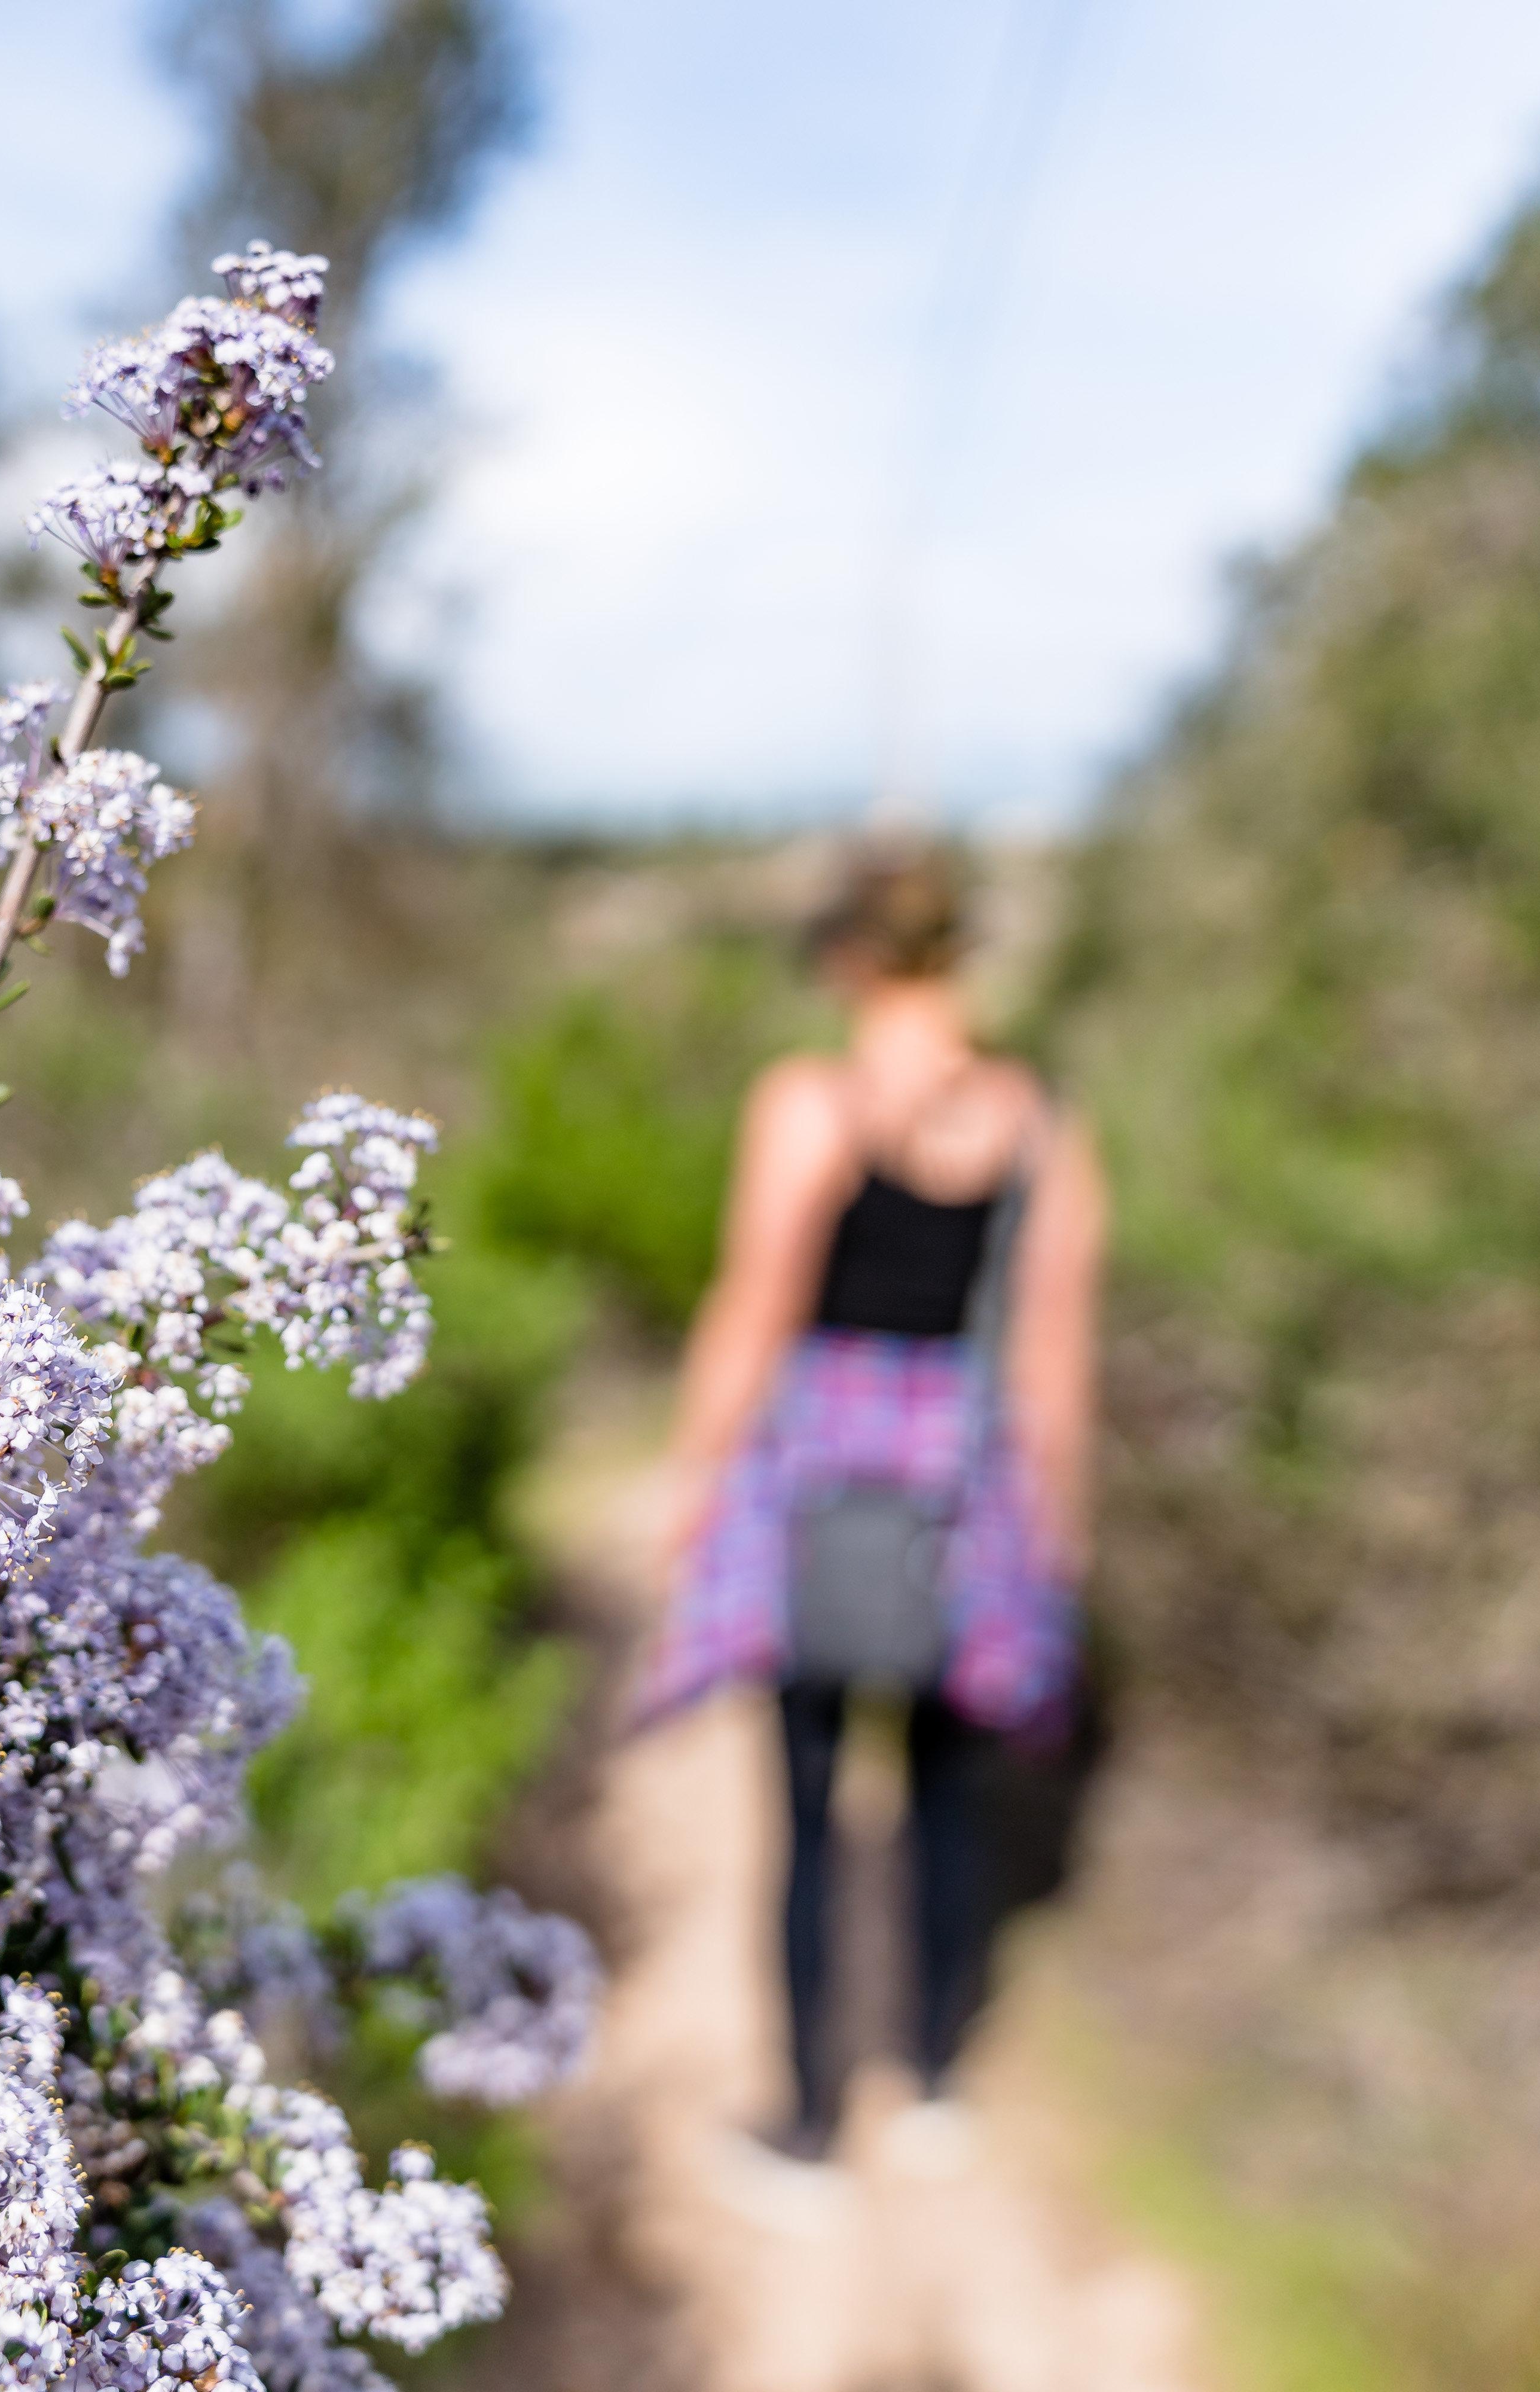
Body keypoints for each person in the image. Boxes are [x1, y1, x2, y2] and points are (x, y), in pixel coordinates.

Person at [637, 842, 1105, 2162]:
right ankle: (937, 2079)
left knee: (808, 1809)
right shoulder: (1043, 1118)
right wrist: (1059, 1522)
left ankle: (807, 2117)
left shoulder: (810, 1103)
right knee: (951, 1795)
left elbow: (753, 1307)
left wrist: (693, 1479)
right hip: (971, 1479)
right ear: (957, 951)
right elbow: (1054, 1351)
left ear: (845, 955)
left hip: (820, 1476)